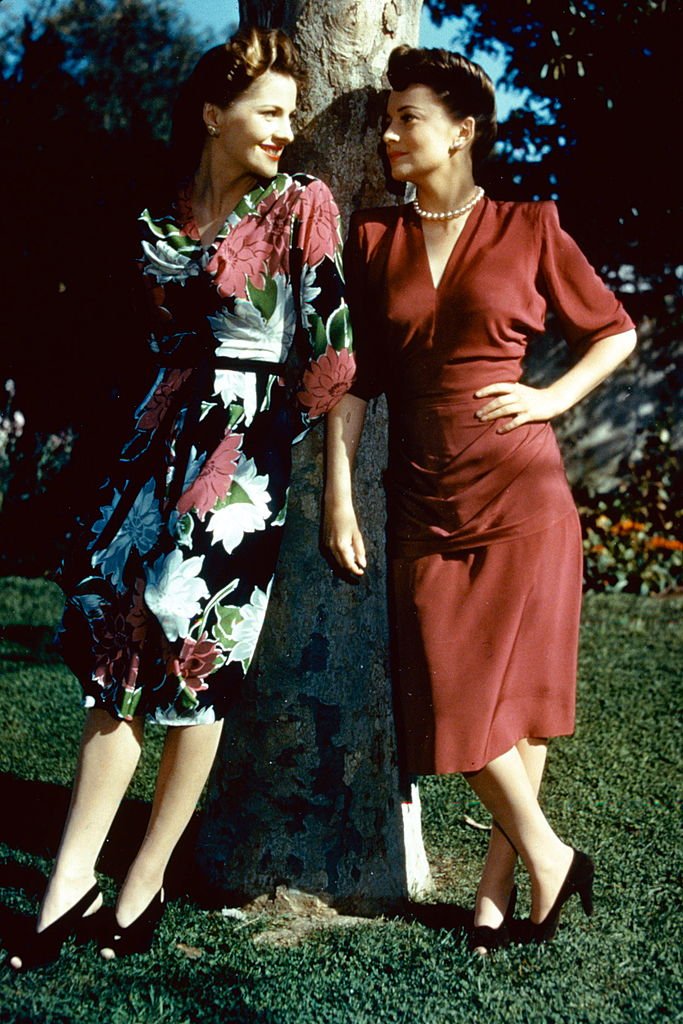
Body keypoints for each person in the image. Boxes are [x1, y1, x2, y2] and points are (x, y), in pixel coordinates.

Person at [8, 26, 354, 970]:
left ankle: (143, 882)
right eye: (269, 111)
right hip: (149, 442)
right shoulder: (162, 209)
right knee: (115, 656)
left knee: (194, 661)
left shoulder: (300, 206)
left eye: (290, 113)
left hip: (239, 456)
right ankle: (65, 888)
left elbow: (331, 350)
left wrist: (316, 482)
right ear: (213, 113)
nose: (286, 129)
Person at [323, 45, 636, 953]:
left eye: (406, 117)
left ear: (462, 130)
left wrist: (549, 397)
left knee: (518, 707)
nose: (388, 133)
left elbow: (612, 331)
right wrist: (339, 498)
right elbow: (355, 384)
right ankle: (551, 855)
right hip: (421, 498)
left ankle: (496, 902)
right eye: (385, 119)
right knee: (453, 702)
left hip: (523, 496)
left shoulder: (530, 225)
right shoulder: (373, 239)